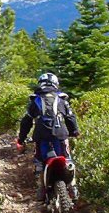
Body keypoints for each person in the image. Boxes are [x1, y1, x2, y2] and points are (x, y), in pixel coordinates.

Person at [15, 72, 80, 201]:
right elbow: (71, 118)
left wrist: (21, 139)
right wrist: (75, 132)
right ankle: (73, 187)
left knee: (40, 161)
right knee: (67, 160)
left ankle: (41, 187)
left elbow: (26, 122)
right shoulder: (62, 99)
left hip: (41, 136)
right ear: (55, 84)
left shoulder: (35, 100)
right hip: (61, 136)